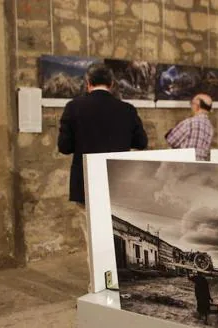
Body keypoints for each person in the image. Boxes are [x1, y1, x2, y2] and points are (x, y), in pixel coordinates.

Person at [58, 62, 148, 292]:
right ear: (112, 84)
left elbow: (64, 147)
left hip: (86, 183)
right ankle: (116, 286)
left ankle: (99, 289)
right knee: (113, 236)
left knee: (93, 240)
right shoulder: (126, 109)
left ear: (88, 83)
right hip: (115, 182)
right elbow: (141, 142)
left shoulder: (73, 107)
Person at [165, 93, 214, 161]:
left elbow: (171, 140)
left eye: (192, 103)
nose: (191, 106)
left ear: (197, 106)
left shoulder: (189, 123)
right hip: (201, 166)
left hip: (185, 165)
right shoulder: (210, 127)